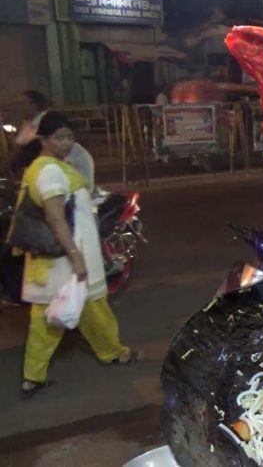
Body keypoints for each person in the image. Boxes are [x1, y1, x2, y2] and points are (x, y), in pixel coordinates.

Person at [14, 112, 140, 397]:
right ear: (44, 140)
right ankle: (112, 354)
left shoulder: (51, 166)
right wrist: (76, 257)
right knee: (76, 313)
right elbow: (55, 217)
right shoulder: (49, 171)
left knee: (64, 315)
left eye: (70, 137)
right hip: (65, 258)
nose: (66, 143)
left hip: (56, 260)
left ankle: (34, 377)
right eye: (59, 137)